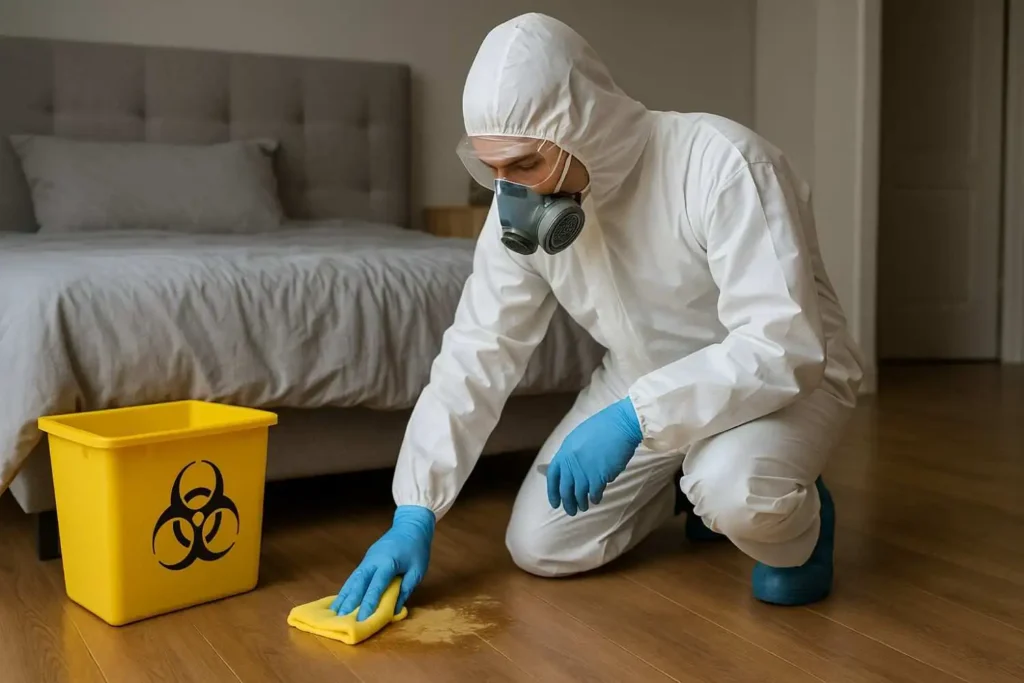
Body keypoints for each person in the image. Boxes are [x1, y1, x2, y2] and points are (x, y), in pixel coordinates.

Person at [331, 12, 864, 621]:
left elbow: (782, 345)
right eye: (492, 169)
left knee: (735, 491)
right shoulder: (523, 215)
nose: (510, 193)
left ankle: (801, 522)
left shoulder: (721, 164)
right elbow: (478, 352)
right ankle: (679, 484)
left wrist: (638, 417)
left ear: (582, 126)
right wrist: (414, 508)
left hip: (785, 378)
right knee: (542, 545)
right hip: (639, 379)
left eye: (525, 164)